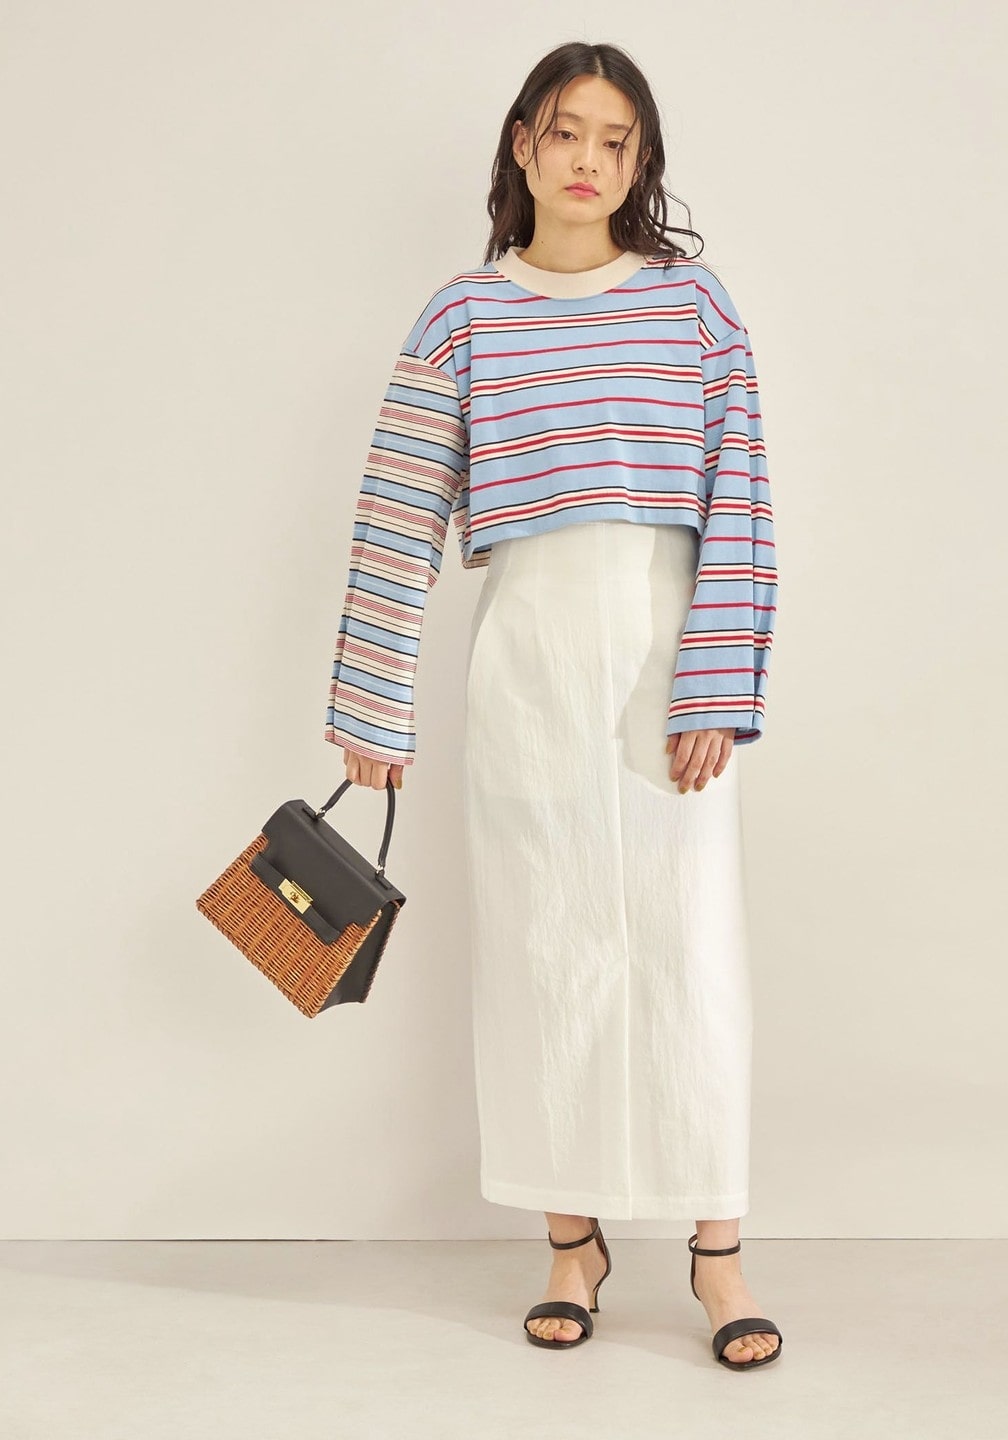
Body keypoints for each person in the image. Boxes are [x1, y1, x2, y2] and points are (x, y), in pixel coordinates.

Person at [323, 40, 782, 1371]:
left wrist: (716, 683)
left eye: (615, 140)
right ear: (523, 145)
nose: (588, 159)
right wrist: (373, 707)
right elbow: (399, 514)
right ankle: (571, 1242)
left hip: (664, 648)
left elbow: (742, 500)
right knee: (549, 949)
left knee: (691, 949)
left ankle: (717, 1251)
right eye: (566, 132)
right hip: (526, 658)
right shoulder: (463, 316)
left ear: (640, 163)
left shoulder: (694, 310)